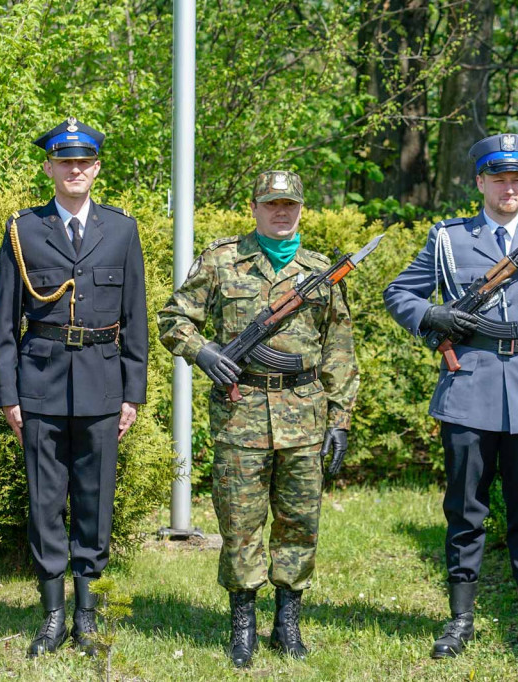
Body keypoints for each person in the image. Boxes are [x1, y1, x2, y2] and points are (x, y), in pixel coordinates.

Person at [383, 133, 518, 665]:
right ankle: (460, 620)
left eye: (517, 179)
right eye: (498, 179)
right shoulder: (448, 240)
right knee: (465, 512)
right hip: (468, 391)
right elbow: (399, 293)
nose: (509, 188)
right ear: (480, 182)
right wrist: (433, 316)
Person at [158, 170, 359, 668]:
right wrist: (202, 353)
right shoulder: (221, 260)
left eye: (289, 203)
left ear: (301, 208)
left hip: (305, 417)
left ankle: (286, 621)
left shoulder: (320, 272)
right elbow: (173, 318)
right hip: (241, 414)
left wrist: (341, 418)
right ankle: (242, 623)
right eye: (271, 203)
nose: (281, 212)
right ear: (254, 207)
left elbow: (339, 349)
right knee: (240, 524)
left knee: (299, 524)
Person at [0, 116, 148, 657]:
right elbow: (6, 322)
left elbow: (135, 318)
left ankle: (87, 614)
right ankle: (52, 616)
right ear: (49, 168)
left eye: (84, 161)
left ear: (96, 168)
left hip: (104, 382)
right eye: (65, 161)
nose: (75, 169)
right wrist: (9, 395)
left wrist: (133, 393)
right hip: (40, 381)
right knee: (44, 501)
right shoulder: (23, 229)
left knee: (94, 500)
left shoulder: (122, 230)